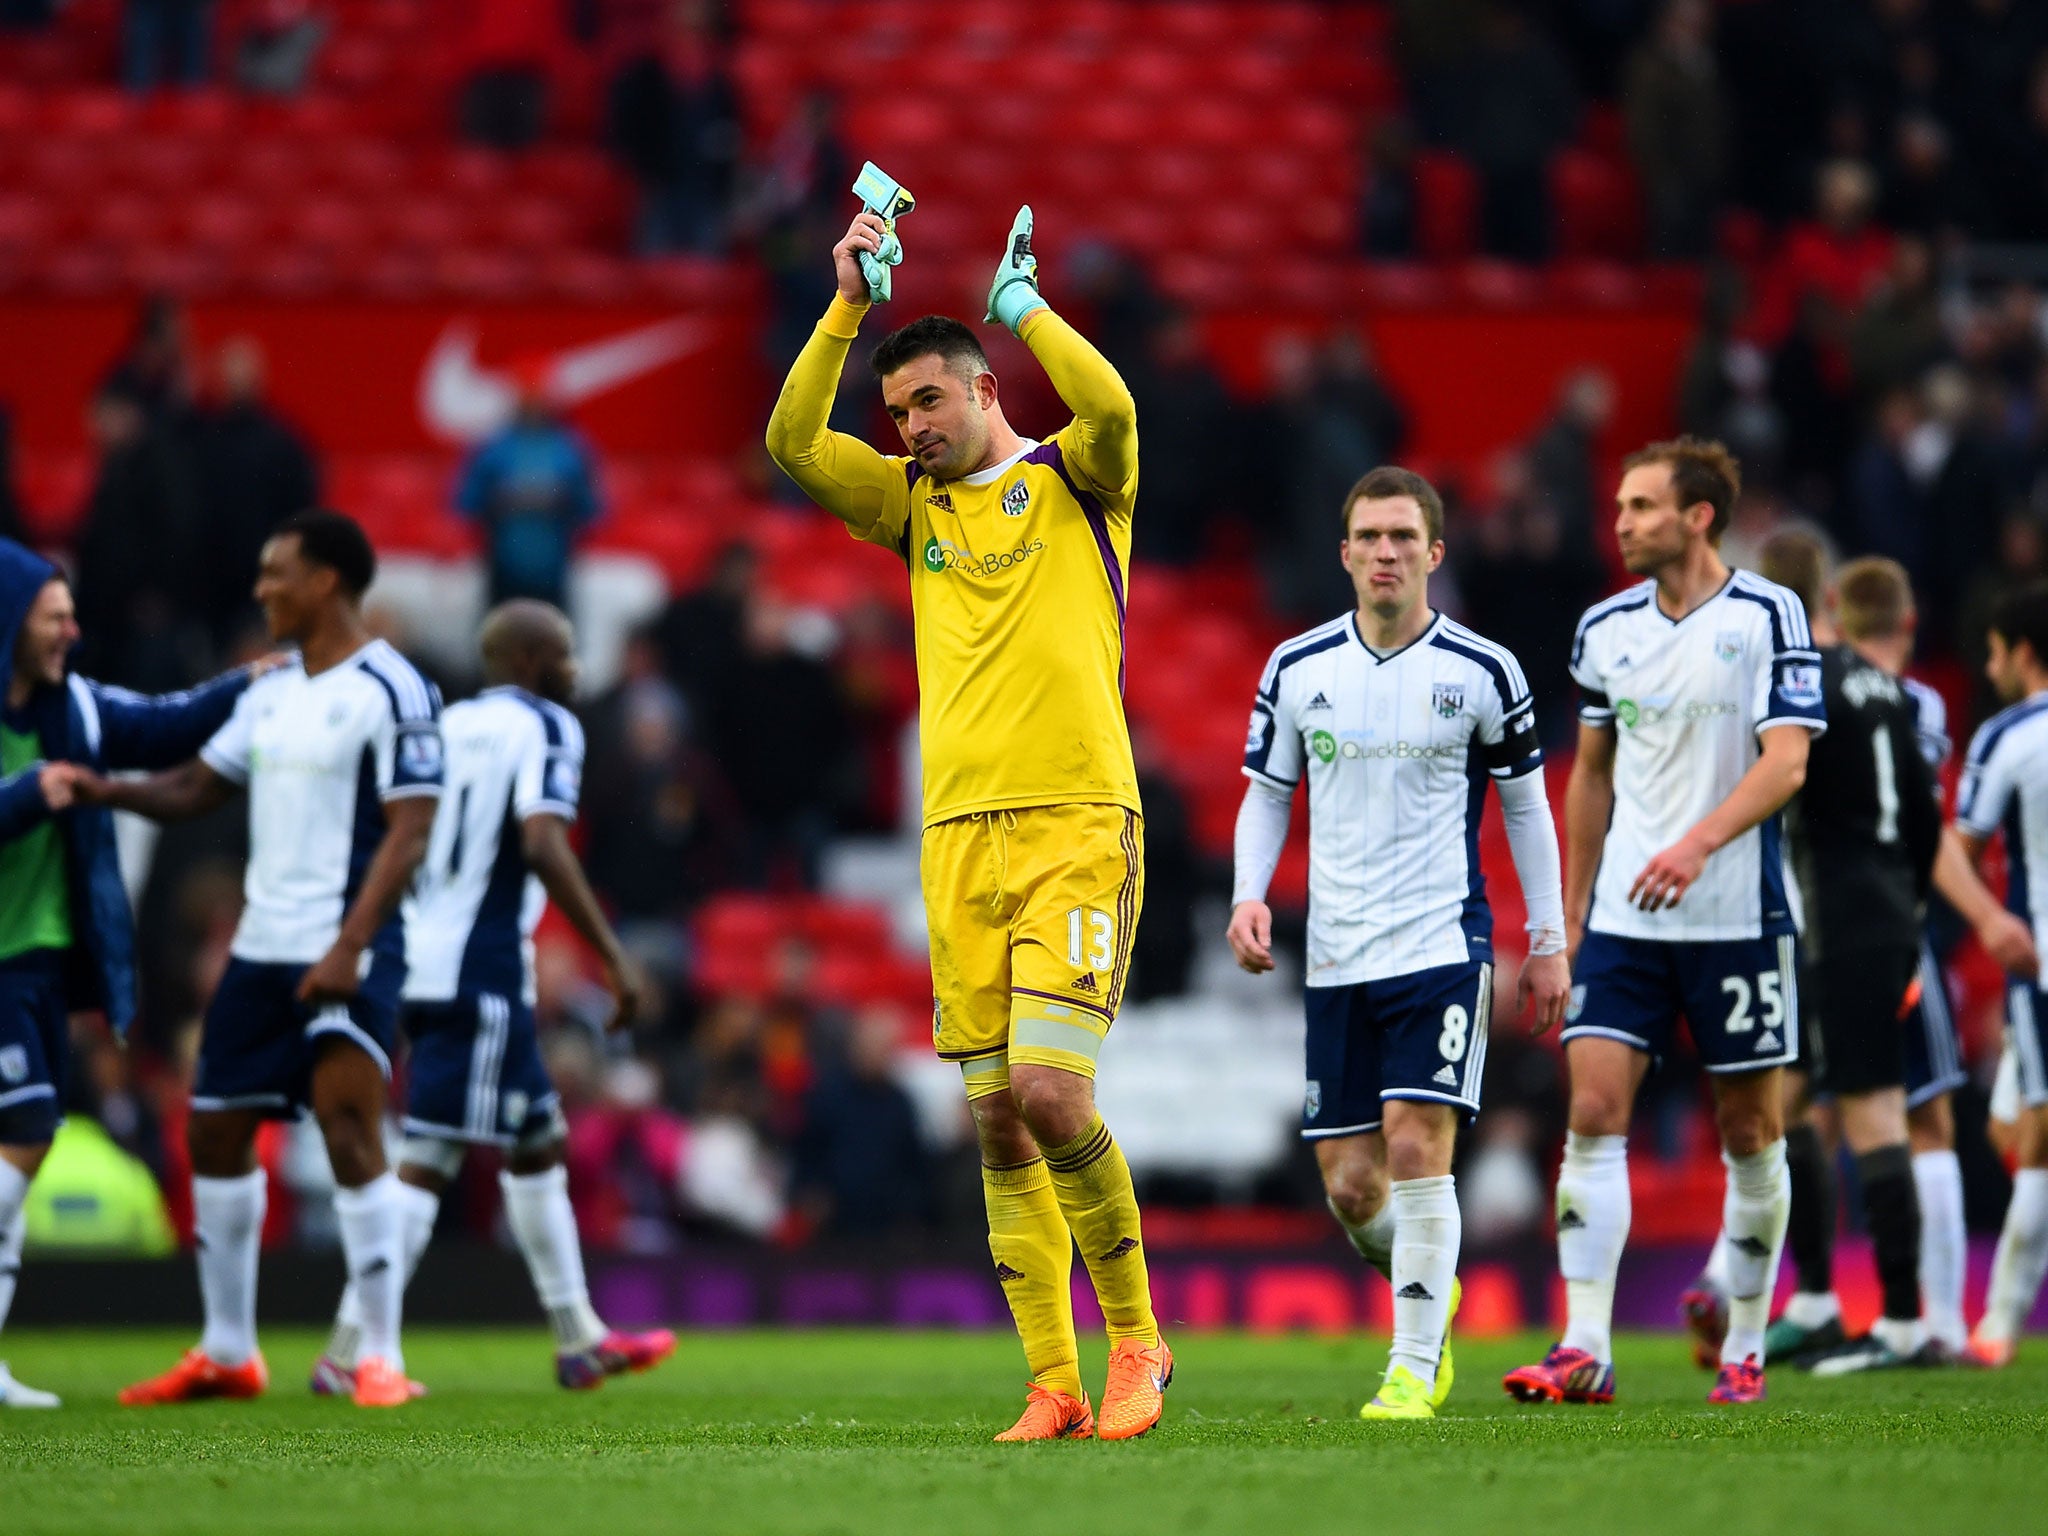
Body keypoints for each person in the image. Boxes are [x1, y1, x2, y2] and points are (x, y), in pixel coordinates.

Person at [765, 204, 1169, 1442]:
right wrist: (844, 307)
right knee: (995, 1115)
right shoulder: (909, 508)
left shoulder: (1074, 481)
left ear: (986, 390)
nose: (913, 429)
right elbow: (789, 444)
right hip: (957, 840)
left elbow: (1112, 413)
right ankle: (1050, 1379)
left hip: (1075, 823)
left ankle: (1138, 1343)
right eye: (898, 416)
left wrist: (1026, 305)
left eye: (929, 403)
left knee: (1052, 1094)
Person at [1227, 466, 1570, 1420]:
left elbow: (1528, 807)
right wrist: (1248, 896)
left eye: (1403, 538)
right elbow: (1266, 793)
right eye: (1370, 537)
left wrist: (1547, 940)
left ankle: (1413, 1367)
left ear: (1434, 554)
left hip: (1440, 944)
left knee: (1420, 1143)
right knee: (1348, 1185)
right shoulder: (1297, 670)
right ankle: (1433, 1282)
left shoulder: (1483, 670)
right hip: (1338, 955)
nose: (1386, 552)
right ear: (1344, 554)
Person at [79, 511, 443, 1411]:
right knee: (213, 1129)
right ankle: (228, 1350)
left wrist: (352, 944)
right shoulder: (271, 687)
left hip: (346, 942)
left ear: (324, 581)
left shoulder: (393, 688)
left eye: (275, 572)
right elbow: (198, 785)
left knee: (349, 1125)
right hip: (262, 943)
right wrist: (101, 791)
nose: (260, 589)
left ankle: (380, 1356)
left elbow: (412, 827)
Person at [1502, 437, 1826, 1408]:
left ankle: (1744, 1341)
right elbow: (1591, 777)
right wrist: (1563, 923)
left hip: (1737, 914)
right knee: (1592, 1112)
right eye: (1616, 508)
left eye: (1640, 507)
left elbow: (1786, 762)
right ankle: (1583, 1345)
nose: (1620, 524)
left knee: (1747, 1129)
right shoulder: (1603, 629)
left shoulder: (1770, 615)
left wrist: (1695, 843)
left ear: (1696, 517)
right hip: (1625, 924)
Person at [316, 600, 672, 1394]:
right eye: (566, 653)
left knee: (536, 1142)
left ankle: (578, 1336)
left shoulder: (443, 726)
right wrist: (611, 958)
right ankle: (350, 1352)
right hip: (477, 969)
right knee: (428, 1160)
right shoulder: (545, 725)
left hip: (426, 957)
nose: (576, 670)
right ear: (533, 661)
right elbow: (543, 841)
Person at [0, 541, 258, 1408]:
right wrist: (29, 794)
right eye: (53, 617)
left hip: (36, 966)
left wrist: (252, 683)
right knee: (26, 1134)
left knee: (23, 1149)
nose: (73, 628)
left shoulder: (74, 704)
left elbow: (167, 725)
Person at [1681, 542, 1946, 1373]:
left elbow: (1780, 782)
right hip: (1892, 909)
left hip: (1837, 920)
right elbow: (1928, 818)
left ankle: (1902, 1322)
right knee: (1791, 1100)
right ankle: (1819, 1297)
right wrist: (1914, 908)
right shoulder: (1883, 688)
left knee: (1869, 1111)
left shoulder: (1808, 686)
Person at [1949, 583, 2048, 1366]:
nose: (1989, 665)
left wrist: (1985, 920)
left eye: (1992, 650)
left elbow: (1960, 848)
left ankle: (2001, 1323)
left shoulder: (2011, 735)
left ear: (2020, 651)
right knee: (2009, 1128)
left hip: (2042, 968)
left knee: (2036, 1139)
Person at [454, 370, 601, 611]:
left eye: (539, 396)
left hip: (555, 567)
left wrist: (564, 501)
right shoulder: (492, 447)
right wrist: (498, 501)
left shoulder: (573, 448)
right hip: (502, 565)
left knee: (552, 637)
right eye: (527, 396)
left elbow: (593, 507)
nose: (534, 405)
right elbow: (464, 501)